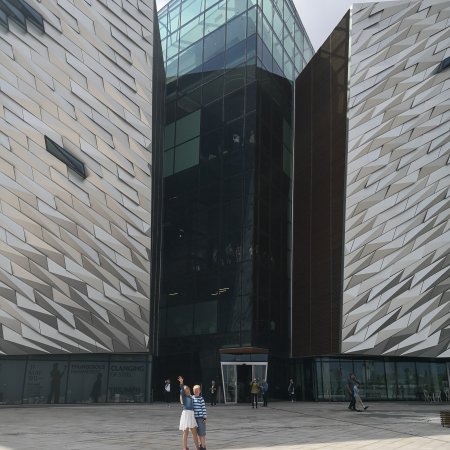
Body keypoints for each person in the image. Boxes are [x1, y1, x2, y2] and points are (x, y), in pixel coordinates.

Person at [178, 376, 200, 450]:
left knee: (194, 432)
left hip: (191, 415)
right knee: (186, 432)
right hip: (186, 414)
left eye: (188, 389)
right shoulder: (184, 397)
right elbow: (182, 389)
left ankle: (197, 447)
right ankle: (185, 447)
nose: (187, 391)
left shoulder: (191, 397)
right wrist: (181, 382)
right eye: (185, 390)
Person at [193, 385, 207, 450]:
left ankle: (203, 446)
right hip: (194, 418)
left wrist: (204, 417)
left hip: (200, 418)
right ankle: (201, 445)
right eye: (194, 390)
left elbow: (203, 408)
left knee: (202, 432)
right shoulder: (192, 398)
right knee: (198, 433)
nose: (196, 391)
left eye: (197, 390)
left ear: (200, 391)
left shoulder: (201, 398)